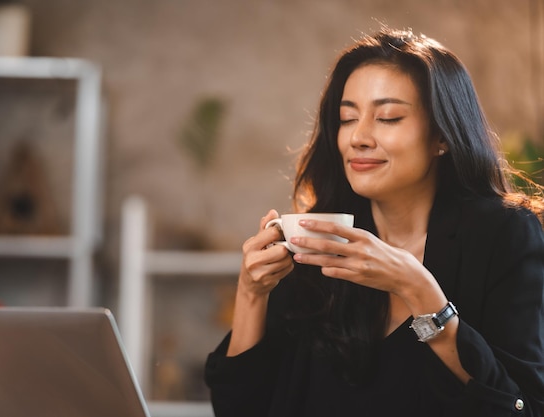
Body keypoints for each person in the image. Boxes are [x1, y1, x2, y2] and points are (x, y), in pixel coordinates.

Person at [204, 27, 544, 417]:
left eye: (388, 117)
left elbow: (522, 409)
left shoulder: (504, 234)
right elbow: (237, 408)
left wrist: (419, 291)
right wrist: (251, 294)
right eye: (347, 119)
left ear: (441, 137)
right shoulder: (317, 238)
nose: (358, 137)